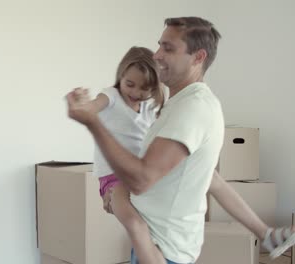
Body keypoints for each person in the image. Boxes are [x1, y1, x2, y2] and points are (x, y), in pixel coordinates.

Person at [67, 16, 295, 264]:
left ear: (198, 57)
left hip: (161, 250)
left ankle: (266, 234)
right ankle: (267, 234)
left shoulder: (191, 109)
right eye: (159, 45)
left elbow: (141, 180)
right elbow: (211, 180)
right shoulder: (180, 106)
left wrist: (92, 122)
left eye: (168, 48)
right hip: (163, 243)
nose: (156, 55)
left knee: (135, 223)